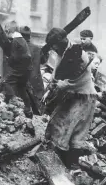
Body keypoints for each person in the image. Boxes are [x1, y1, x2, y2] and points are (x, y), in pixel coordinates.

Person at [43, 27, 101, 169]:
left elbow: (78, 80)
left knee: (74, 130)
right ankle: (58, 160)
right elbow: (57, 72)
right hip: (71, 95)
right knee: (58, 123)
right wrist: (50, 86)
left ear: (60, 42)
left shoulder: (78, 55)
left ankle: (71, 166)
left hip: (84, 97)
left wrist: (60, 85)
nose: (53, 49)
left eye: (54, 46)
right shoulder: (62, 52)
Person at [2, 31, 33, 118]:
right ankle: (28, 109)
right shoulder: (22, 40)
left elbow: (14, 57)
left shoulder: (16, 41)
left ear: (9, 31)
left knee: (6, 82)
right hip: (27, 69)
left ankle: (12, 100)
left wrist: (8, 59)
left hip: (20, 68)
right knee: (21, 88)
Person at [20, 26, 45, 100]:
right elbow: (43, 61)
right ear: (29, 36)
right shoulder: (37, 48)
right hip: (36, 84)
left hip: (24, 84)